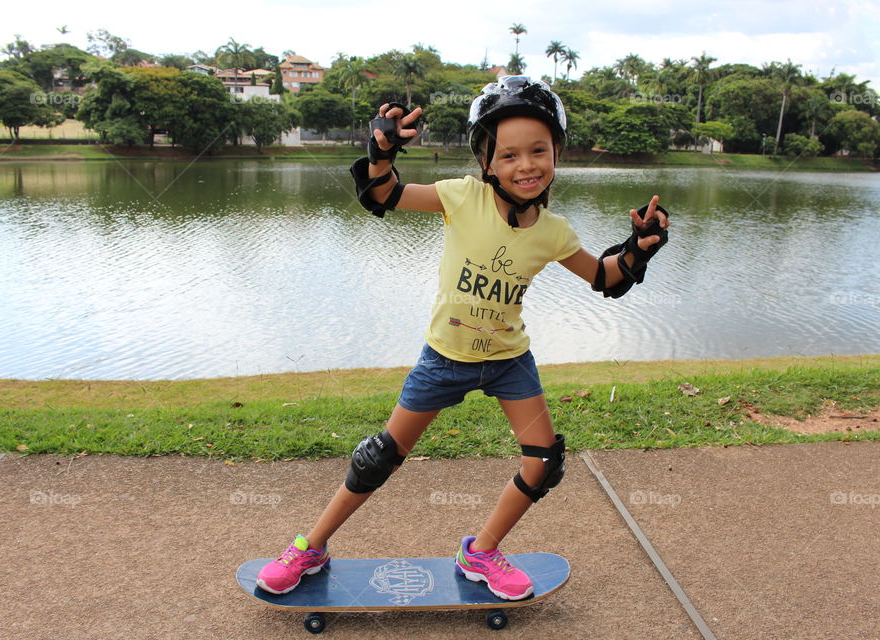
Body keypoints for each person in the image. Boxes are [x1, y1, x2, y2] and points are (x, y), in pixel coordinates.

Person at [256, 76, 670, 601]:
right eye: (510, 154)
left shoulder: (554, 231)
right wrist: (382, 150)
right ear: (487, 161)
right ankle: (309, 548)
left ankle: (482, 552)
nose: (526, 165)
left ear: (557, 153)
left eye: (539, 151)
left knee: (543, 463)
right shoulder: (460, 197)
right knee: (380, 457)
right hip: (444, 359)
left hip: (508, 361)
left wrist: (638, 249)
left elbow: (605, 278)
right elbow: (382, 194)